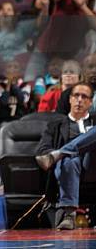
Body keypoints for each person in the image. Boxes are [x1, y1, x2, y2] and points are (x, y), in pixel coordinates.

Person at [35, 82, 96, 230]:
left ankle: (61, 153)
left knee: (67, 155)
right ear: (69, 99)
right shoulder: (56, 125)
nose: (79, 100)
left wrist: (61, 152)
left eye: (84, 97)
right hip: (66, 168)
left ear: (90, 101)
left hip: (92, 165)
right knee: (70, 161)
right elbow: (43, 151)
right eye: (76, 95)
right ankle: (69, 215)